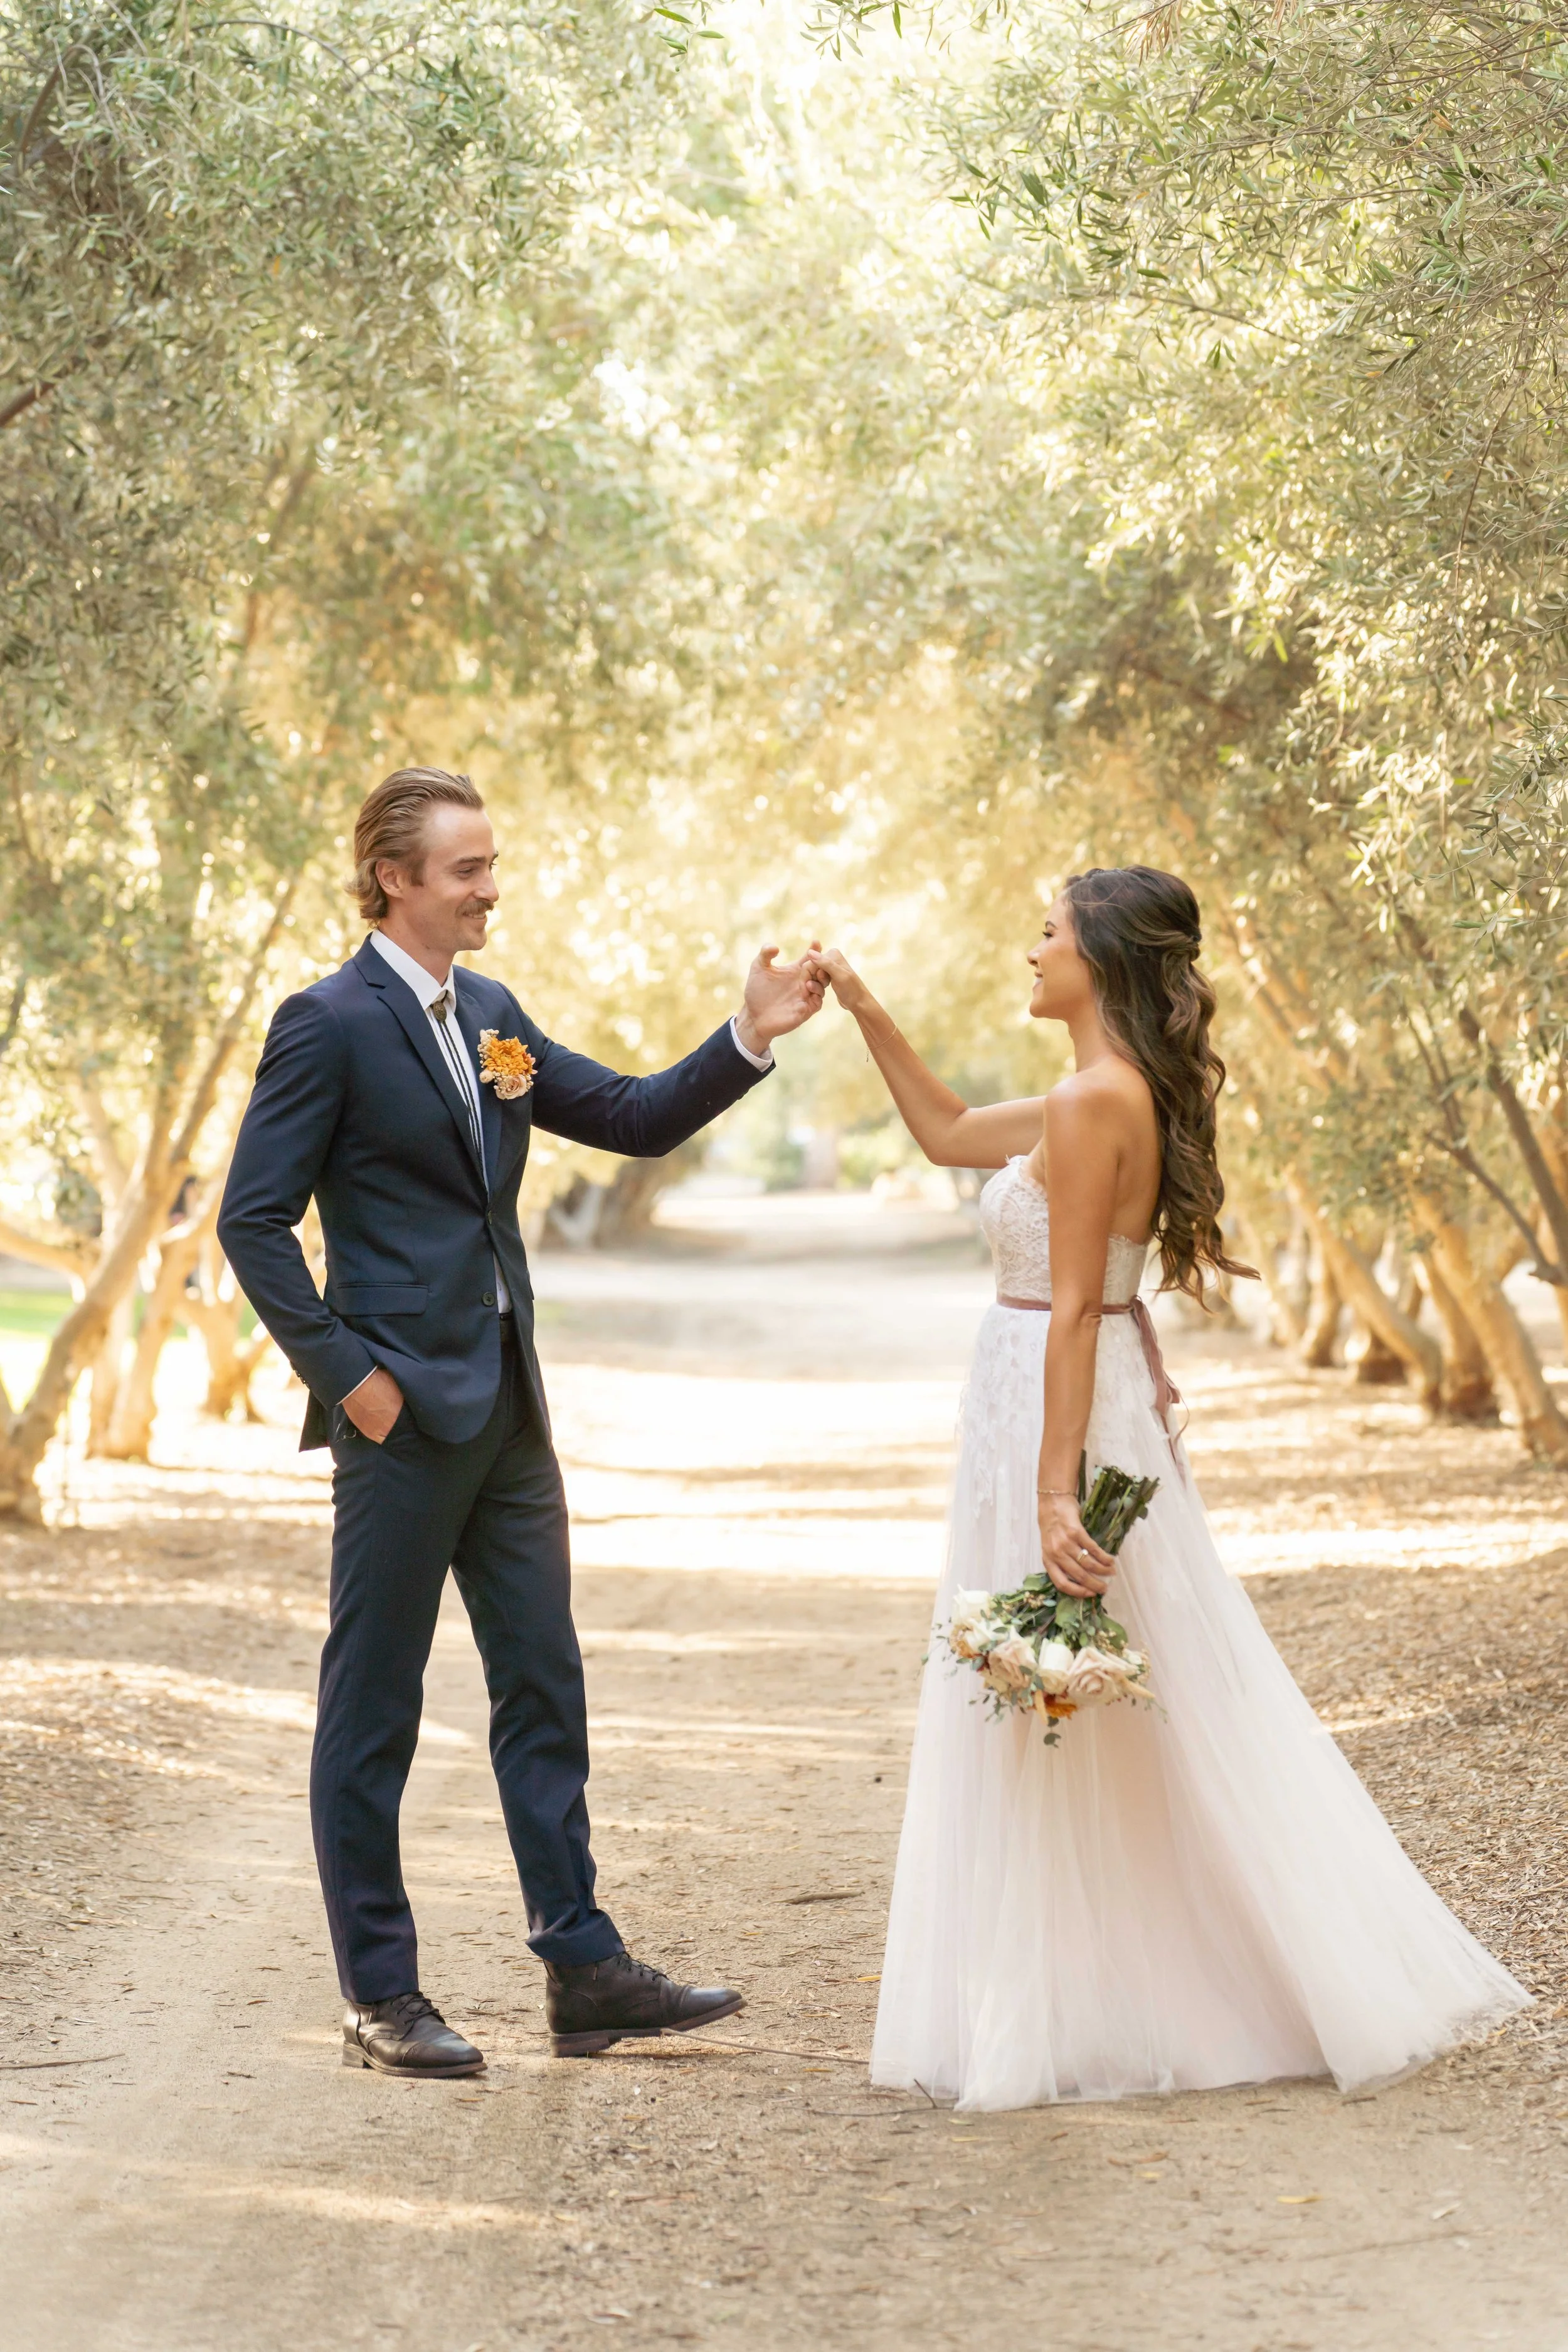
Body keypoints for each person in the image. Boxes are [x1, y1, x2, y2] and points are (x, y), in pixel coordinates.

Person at [808, 867, 1530, 2110]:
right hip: (1045, 1407)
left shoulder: (1095, 1103)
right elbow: (940, 1133)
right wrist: (863, 1006)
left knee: (1075, 1696)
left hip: (1063, 1420)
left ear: (1097, 957)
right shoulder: (1083, 1096)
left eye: (1045, 933)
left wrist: (1053, 1495)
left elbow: (1078, 1303)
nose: (1028, 950)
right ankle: (1112, 1984)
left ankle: (1131, 1996)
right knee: (1075, 1697)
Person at [219, 766, 824, 2079]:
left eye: (491, 865)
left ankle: (584, 1970)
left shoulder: (489, 1016)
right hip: (398, 1420)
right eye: (467, 870)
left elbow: (627, 1115)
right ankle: (380, 1995)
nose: (493, 888)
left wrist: (749, 1034)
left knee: (541, 1685)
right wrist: (348, 1377)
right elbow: (250, 1223)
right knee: (371, 1707)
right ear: (394, 879)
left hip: (508, 1410)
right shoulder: (323, 1023)